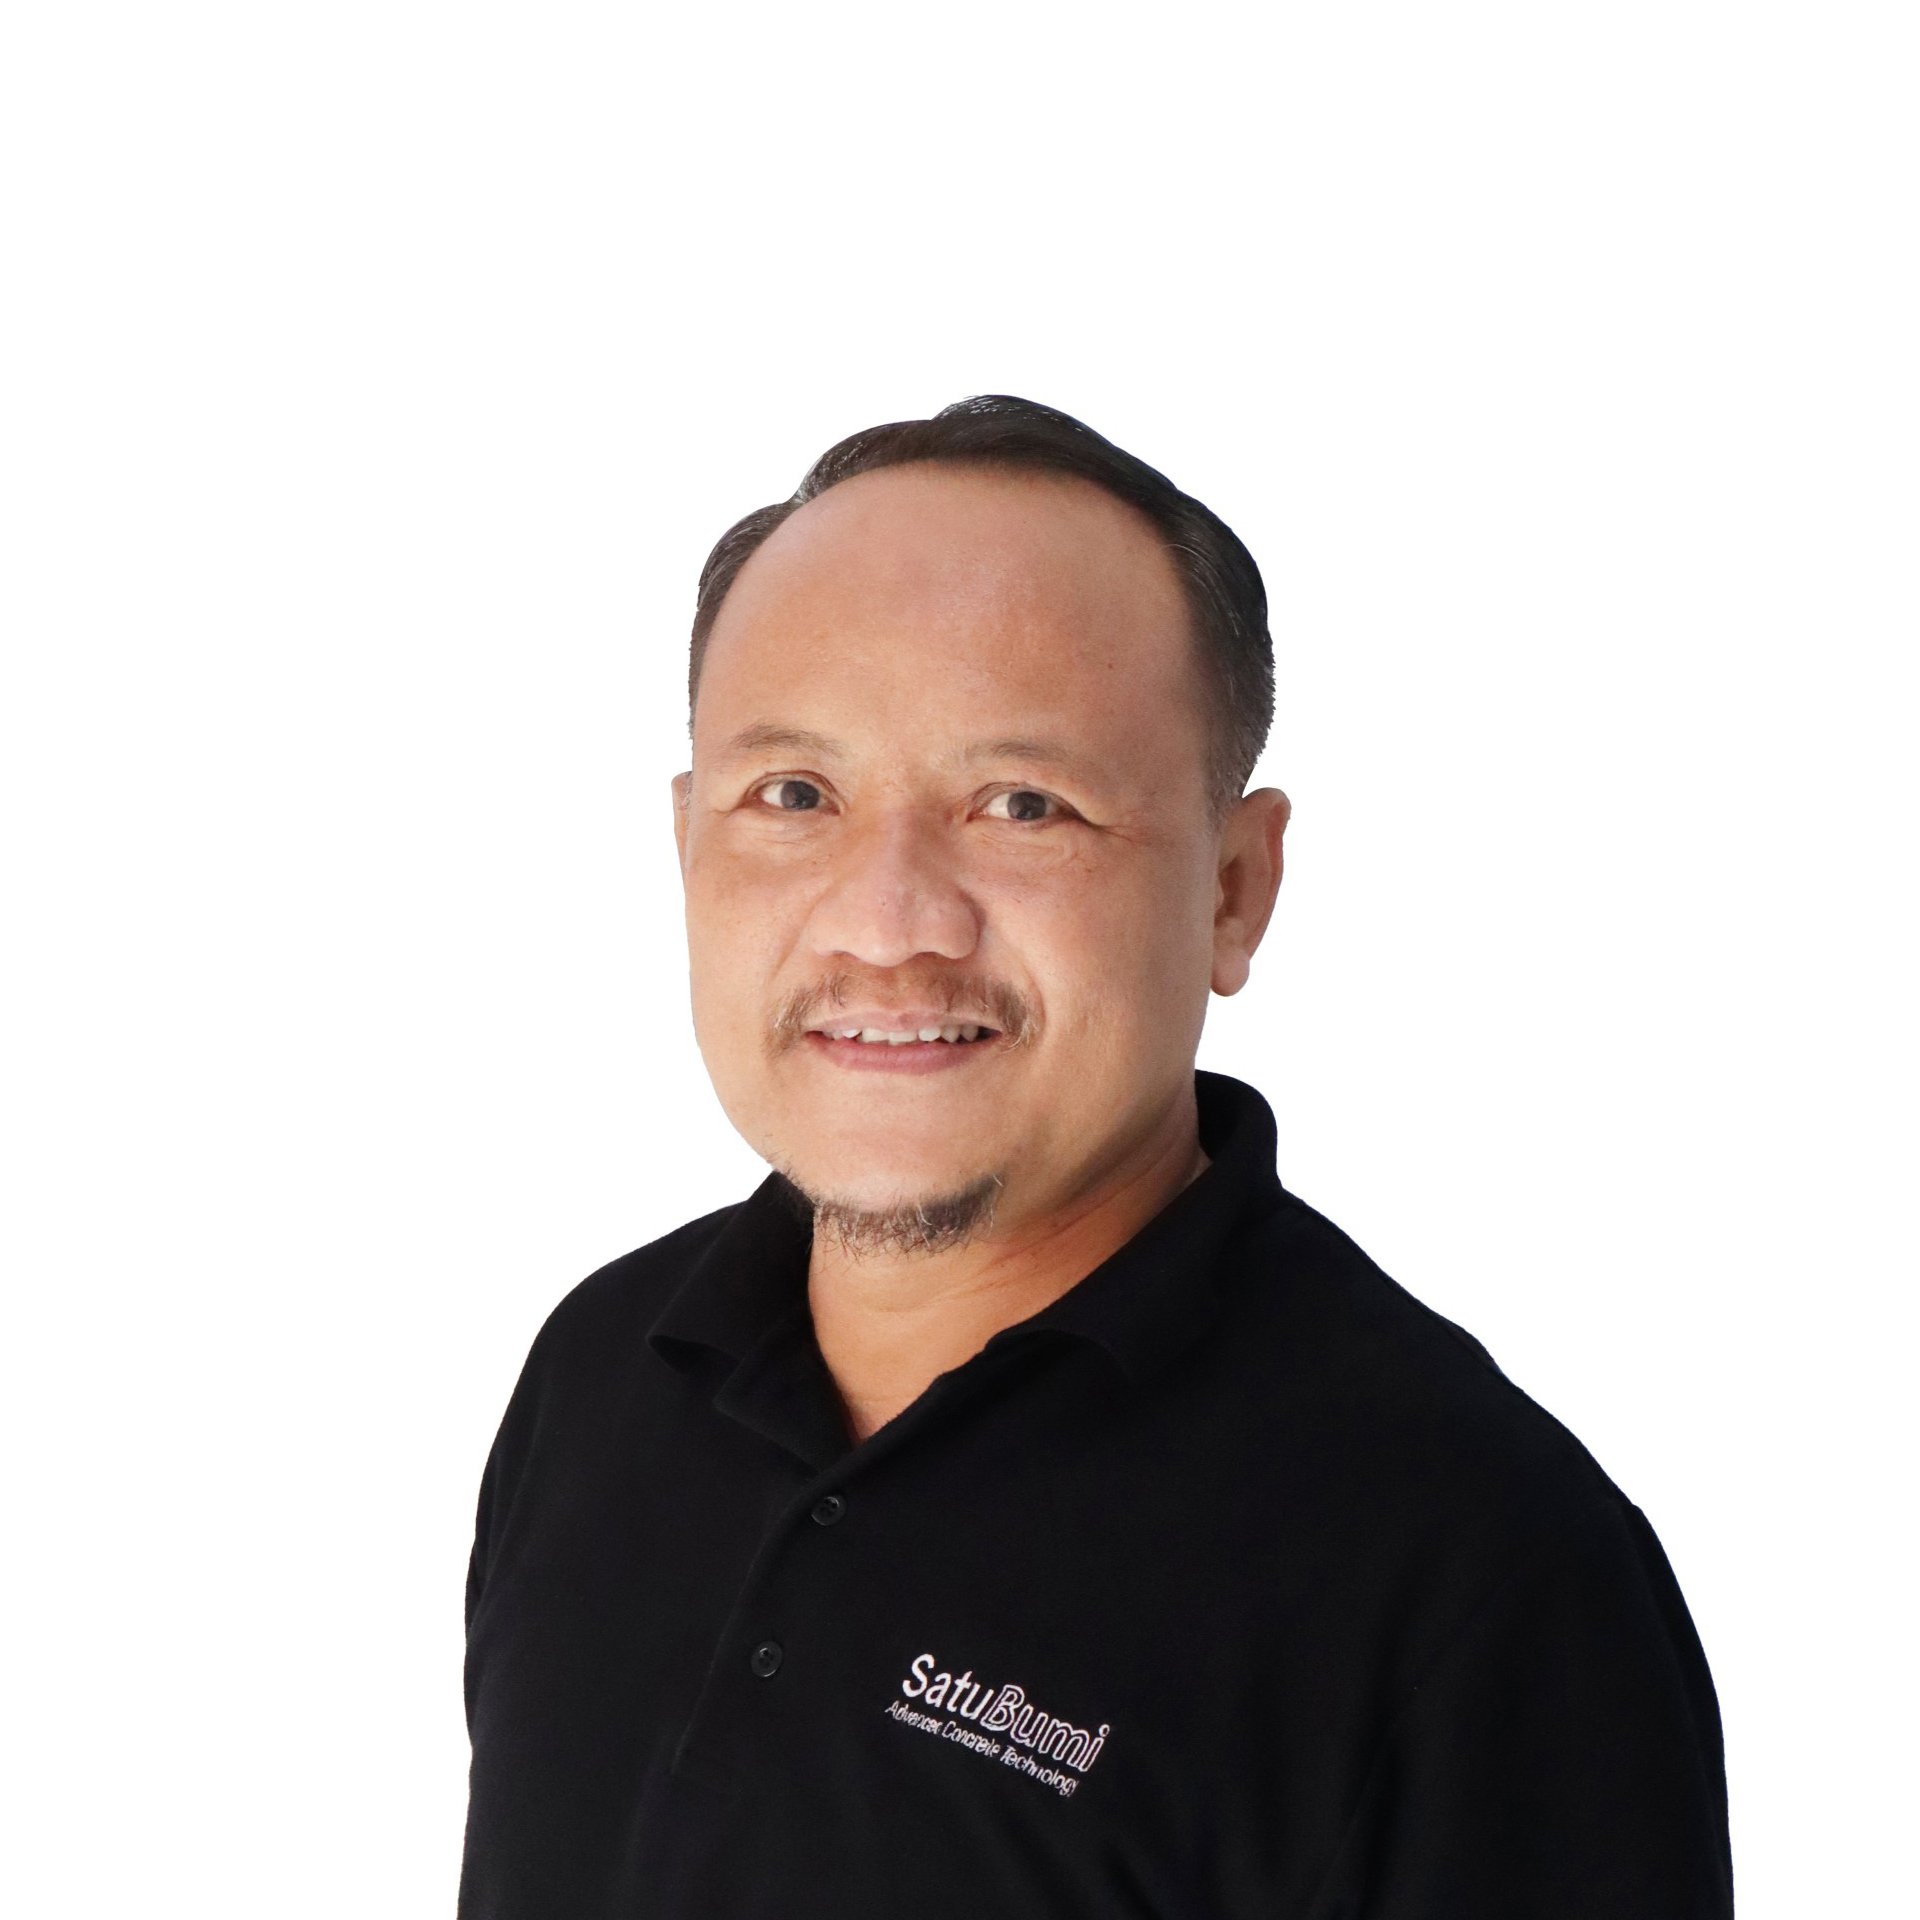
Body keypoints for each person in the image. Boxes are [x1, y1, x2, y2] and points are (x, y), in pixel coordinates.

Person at [456, 396, 1735, 1917]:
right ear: (688, 844)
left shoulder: (1482, 1577)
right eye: (794, 797)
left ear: (1236, 889)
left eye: (1024, 805)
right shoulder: (602, 1373)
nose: (888, 923)